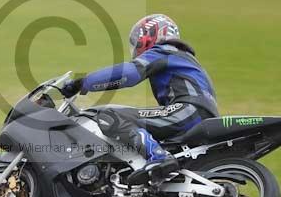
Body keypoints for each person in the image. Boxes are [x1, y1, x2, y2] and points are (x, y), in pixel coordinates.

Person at [60, 14, 219, 185]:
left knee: (109, 114)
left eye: (138, 40)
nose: (136, 46)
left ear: (150, 36)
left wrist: (83, 83)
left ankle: (158, 157)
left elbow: (128, 74)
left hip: (188, 111)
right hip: (197, 113)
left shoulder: (165, 51)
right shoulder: (181, 56)